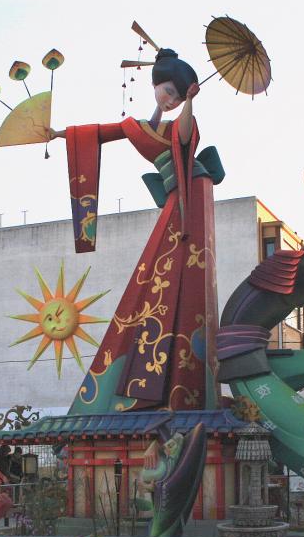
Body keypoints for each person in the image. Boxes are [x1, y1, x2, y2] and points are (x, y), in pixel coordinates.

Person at [49, 47, 219, 414]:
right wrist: (59, 133)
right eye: (167, 92)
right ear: (157, 85)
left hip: (191, 194)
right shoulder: (138, 126)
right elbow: (98, 133)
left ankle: (180, 383)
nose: (169, 100)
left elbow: (185, 137)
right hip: (178, 199)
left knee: (180, 273)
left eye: (176, 95)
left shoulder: (178, 126)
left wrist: (189, 103)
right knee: (161, 273)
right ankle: (152, 380)